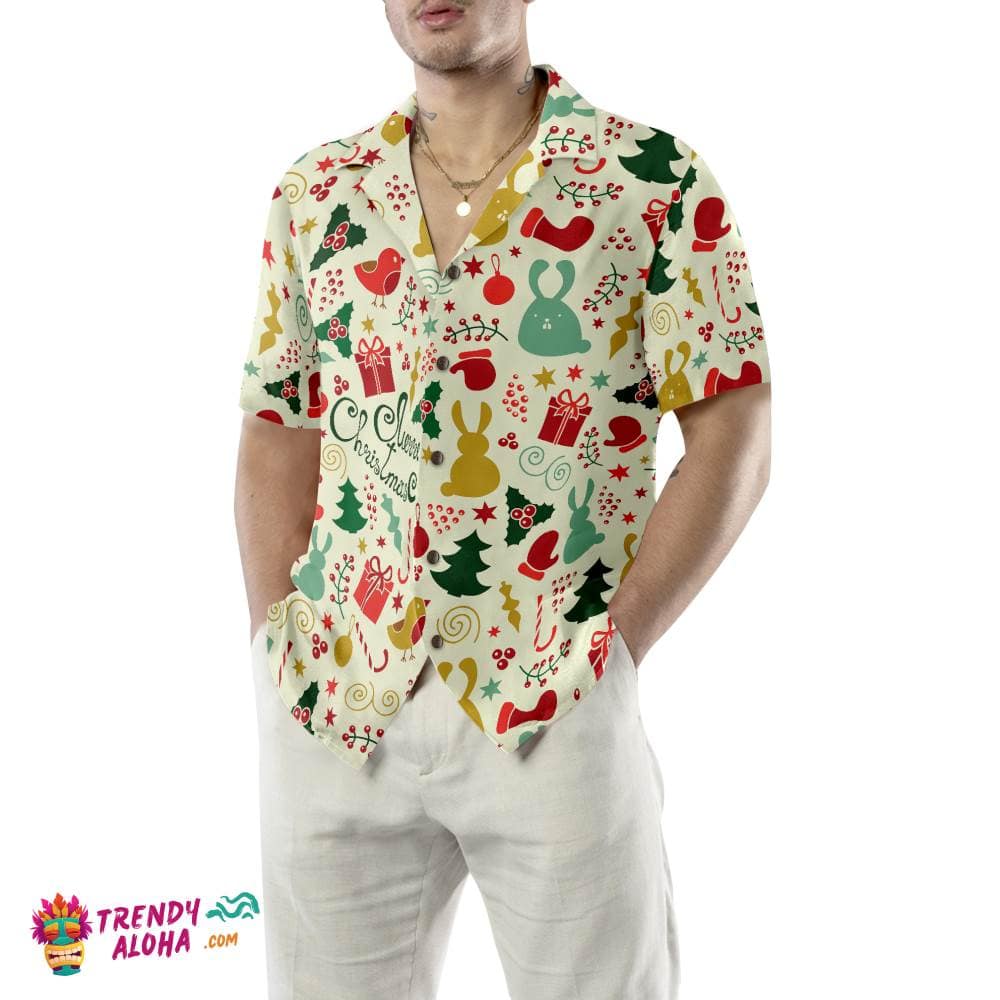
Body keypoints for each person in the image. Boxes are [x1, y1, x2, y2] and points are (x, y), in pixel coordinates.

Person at [233, 2, 771, 997]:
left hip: (554, 696)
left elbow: (734, 425)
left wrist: (616, 647)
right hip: (336, 700)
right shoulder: (316, 194)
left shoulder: (652, 180)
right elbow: (278, 428)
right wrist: (277, 640)